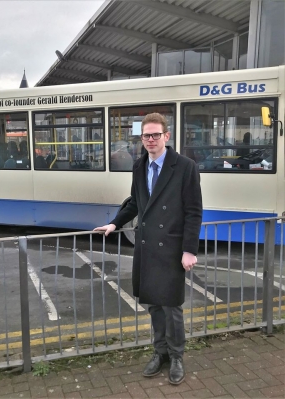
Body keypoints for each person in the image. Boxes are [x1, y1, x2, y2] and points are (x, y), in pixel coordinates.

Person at [94, 113, 202, 385]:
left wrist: (189, 250)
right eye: (146, 136)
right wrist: (114, 223)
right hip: (147, 246)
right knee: (153, 304)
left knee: (171, 306)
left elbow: (193, 212)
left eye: (155, 135)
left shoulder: (185, 167)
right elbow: (135, 203)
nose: (151, 140)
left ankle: (176, 356)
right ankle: (160, 352)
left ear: (167, 136)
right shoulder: (139, 166)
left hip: (172, 247)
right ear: (141, 139)